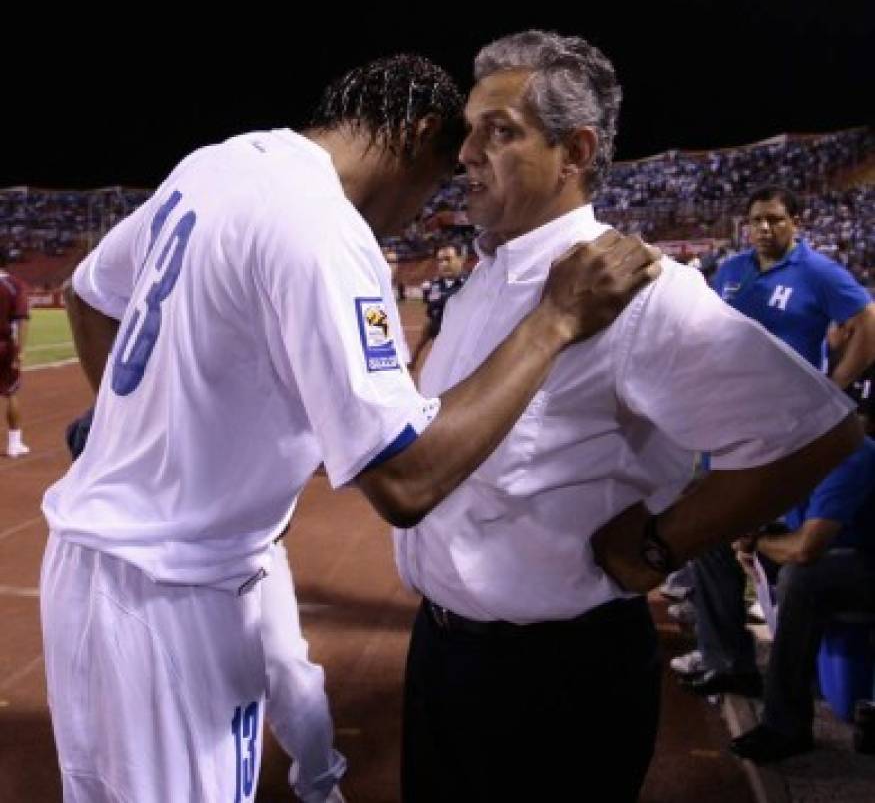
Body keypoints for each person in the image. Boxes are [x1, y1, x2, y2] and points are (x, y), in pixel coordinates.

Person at [40, 52, 661, 803]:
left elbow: (89, 295)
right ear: (418, 133)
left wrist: (147, 434)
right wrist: (553, 321)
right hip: (177, 594)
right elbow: (406, 480)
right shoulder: (325, 228)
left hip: (83, 563)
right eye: (436, 179)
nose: (423, 209)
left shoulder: (221, 161)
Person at [392, 30, 861, 803]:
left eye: (498, 132)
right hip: (441, 653)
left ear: (573, 152)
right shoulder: (484, 277)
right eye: (468, 129)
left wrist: (657, 543)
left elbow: (816, 430)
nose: (465, 153)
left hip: (551, 676)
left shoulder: (632, 286)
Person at [63, 408, 347, 802]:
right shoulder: (150, 383)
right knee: (162, 709)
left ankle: (319, 783)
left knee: (286, 665)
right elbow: (84, 436)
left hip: (246, 549)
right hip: (162, 567)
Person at [677, 185, 875, 699]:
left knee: (763, 536)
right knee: (704, 535)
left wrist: (832, 390)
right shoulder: (732, 271)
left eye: (775, 220)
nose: (764, 229)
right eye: (757, 220)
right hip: (730, 422)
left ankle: (792, 665)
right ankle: (728, 659)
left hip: (789, 430)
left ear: (796, 223)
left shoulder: (818, 272)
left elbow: (867, 322)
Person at [729, 427, 875, 763]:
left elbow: (807, 549)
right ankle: (729, 663)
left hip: (864, 562)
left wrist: (759, 544)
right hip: (840, 555)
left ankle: (785, 725)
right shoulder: (795, 452)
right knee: (719, 542)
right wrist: (747, 536)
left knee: (802, 576)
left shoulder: (850, 453)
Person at [408, 241, 468, 372]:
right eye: (440, 261)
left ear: (461, 259)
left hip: (459, 337)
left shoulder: (471, 284)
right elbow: (430, 310)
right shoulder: (433, 285)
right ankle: (412, 362)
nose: (443, 264)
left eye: (448, 259)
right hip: (437, 329)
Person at [0, 247, 30, 457]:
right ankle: (14, 443)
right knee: (10, 392)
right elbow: (22, 319)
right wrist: (21, 351)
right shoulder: (13, 284)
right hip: (4, 346)